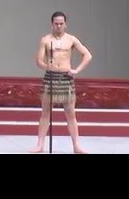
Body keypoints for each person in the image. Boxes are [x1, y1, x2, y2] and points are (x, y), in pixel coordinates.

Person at [29, 11, 92, 154]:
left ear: (65, 24)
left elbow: (87, 55)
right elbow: (39, 60)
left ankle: (76, 146)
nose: (59, 26)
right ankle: (40, 145)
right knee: (45, 113)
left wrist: (77, 70)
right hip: (50, 77)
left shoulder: (71, 39)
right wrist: (47, 66)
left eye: (61, 23)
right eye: (56, 23)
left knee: (70, 113)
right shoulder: (45, 40)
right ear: (52, 24)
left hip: (66, 77)